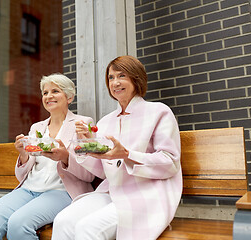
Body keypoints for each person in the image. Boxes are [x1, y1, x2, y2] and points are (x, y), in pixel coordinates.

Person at [52, 55, 182, 240]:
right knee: (63, 221)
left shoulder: (159, 112)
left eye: (122, 76)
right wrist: (89, 145)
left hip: (146, 193)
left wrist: (128, 155)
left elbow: (170, 163)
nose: (115, 82)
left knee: (88, 228)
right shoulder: (105, 122)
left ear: (136, 79)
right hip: (111, 191)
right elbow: (103, 171)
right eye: (111, 78)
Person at [0, 73, 95, 240]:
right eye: (45, 93)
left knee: (18, 224)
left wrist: (65, 157)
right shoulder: (36, 128)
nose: (48, 96)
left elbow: (89, 174)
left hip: (61, 191)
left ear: (69, 97)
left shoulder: (83, 124)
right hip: (28, 189)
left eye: (55, 91)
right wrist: (23, 154)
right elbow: (21, 177)